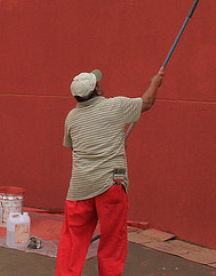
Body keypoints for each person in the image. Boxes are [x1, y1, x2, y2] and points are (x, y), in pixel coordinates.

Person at [54, 68, 164, 276]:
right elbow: (147, 102)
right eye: (99, 82)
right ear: (96, 89)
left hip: (80, 188)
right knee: (113, 240)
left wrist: (113, 141)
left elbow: (75, 147)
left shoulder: (72, 118)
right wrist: (155, 83)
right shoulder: (115, 106)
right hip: (112, 182)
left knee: (72, 242)